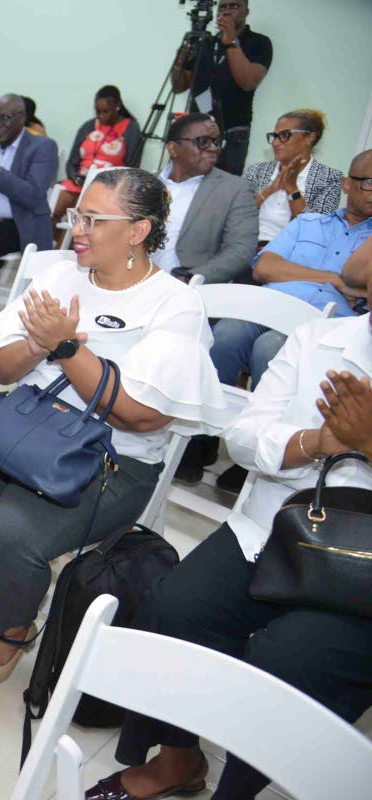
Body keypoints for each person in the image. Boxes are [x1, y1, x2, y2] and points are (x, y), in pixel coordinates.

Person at [0, 168, 228, 684]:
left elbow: (138, 414)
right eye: (77, 216)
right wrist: (37, 344)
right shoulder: (61, 275)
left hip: (113, 458)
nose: (78, 230)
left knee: (5, 536)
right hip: (24, 427)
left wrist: (65, 347)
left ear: (138, 230)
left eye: (93, 219)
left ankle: (12, 628)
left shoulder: (175, 305)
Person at [85, 293, 372, 800]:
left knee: (289, 664)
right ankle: (177, 760)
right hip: (276, 527)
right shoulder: (319, 341)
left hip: (362, 574)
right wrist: (317, 442)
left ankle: (235, 792)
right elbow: (242, 437)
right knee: (174, 610)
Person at [204, 151, 372, 494]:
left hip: (320, 326)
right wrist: (332, 279)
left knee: (270, 347)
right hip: (269, 308)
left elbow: (356, 279)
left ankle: (260, 455)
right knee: (227, 334)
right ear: (346, 184)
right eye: (369, 182)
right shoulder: (309, 222)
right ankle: (201, 440)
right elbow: (264, 268)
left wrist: (302, 273)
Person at [0, 93, 59, 309]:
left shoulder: (42, 147)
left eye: (5, 118)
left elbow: (32, 195)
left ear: (22, 117)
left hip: (21, 224)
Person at [150, 113, 258, 283]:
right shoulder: (144, 183)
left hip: (188, 286)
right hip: (131, 281)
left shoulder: (235, 189)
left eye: (217, 142)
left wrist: (190, 279)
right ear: (173, 149)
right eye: (203, 142)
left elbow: (241, 250)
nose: (214, 148)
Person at [170, 0, 272, 175]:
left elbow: (248, 82)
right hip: (195, 131)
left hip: (232, 132)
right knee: (183, 182)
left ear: (246, 12)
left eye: (234, 6)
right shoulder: (205, 42)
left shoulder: (258, 42)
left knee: (222, 187)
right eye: (222, 7)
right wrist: (180, 62)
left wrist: (231, 40)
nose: (226, 11)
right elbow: (179, 86)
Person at [52, 85, 143, 239]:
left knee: (79, 214)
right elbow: (72, 162)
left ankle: (66, 249)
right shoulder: (89, 126)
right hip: (78, 181)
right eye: (98, 112)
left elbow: (131, 167)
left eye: (105, 111)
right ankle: (52, 244)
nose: (101, 116)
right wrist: (74, 177)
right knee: (53, 208)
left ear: (117, 106)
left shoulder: (131, 129)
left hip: (106, 185)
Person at [243, 109, 343, 246]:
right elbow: (236, 212)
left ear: (310, 137)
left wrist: (292, 188)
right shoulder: (255, 171)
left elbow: (317, 230)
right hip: (247, 244)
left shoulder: (329, 178)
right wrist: (268, 191)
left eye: (284, 135)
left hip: (290, 251)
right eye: (275, 136)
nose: (275, 143)